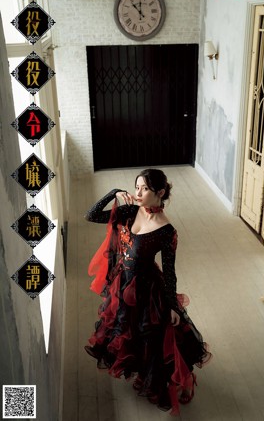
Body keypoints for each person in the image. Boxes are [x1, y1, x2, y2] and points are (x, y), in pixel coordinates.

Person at [84, 168, 211, 415]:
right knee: (125, 330)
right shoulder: (130, 211)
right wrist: (114, 194)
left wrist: (173, 306)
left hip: (147, 288)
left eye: (144, 189)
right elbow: (91, 215)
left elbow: (170, 272)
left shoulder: (167, 232)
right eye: (137, 187)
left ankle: (160, 381)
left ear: (160, 193)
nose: (138, 192)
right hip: (122, 284)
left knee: (151, 336)